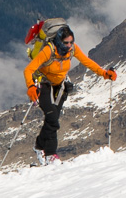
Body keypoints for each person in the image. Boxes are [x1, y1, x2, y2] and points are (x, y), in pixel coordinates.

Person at [23, 24, 117, 166]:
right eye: (65, 42)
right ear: (59, 41)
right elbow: (28, 70)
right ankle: (50, 155)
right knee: (52, 118)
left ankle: (39, 146)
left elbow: (87, 62)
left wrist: (104, 73)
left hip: (60, 85)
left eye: (71, 42)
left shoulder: (72, 49)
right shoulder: (49, 51)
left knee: (52, 119)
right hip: (43, 84)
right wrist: (30, 86)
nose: (68, 45)